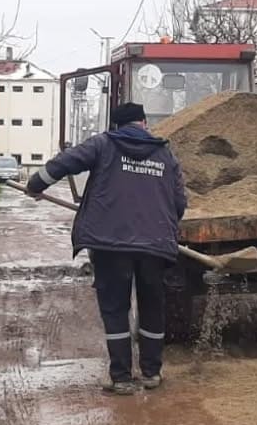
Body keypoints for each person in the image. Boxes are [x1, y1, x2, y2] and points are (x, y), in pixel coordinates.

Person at [25, 102, 188, 395]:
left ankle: (122, 378)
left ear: (116, 125)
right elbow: (179, 204)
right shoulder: (165, 154)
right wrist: (158, 226)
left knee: (115, 309)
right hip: (155, 245)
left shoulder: (103, 144)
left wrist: (36, 184)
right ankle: (152, 373)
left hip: (110, 244)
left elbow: (65, 163)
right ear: (143, 123)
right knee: (153, 307)